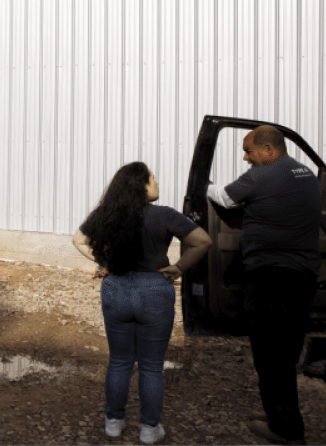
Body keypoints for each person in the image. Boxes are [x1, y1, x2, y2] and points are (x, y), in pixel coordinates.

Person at [72, 162, 212, 444]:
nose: (157, 183)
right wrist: (179, 268)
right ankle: (149, 429)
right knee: (151, 366)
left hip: (117, 289)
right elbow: (202, 240)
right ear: (140, 186)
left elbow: (78, 239)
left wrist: (104, 262)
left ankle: (113, 422)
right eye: (153, 179)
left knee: (119, 360)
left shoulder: (106, 215)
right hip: (154, 292)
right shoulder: (164, 215)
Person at [207, 126, 321, 446]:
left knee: (271, 356)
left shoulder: (263, 176)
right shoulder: (306, 173)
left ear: (268, 150)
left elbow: (225, 198)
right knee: (284, 352)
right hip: (301, 278)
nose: (246, 157)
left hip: (272, 279)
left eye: (249, 150)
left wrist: (206, 186)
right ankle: (278, 416)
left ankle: (285, 430)